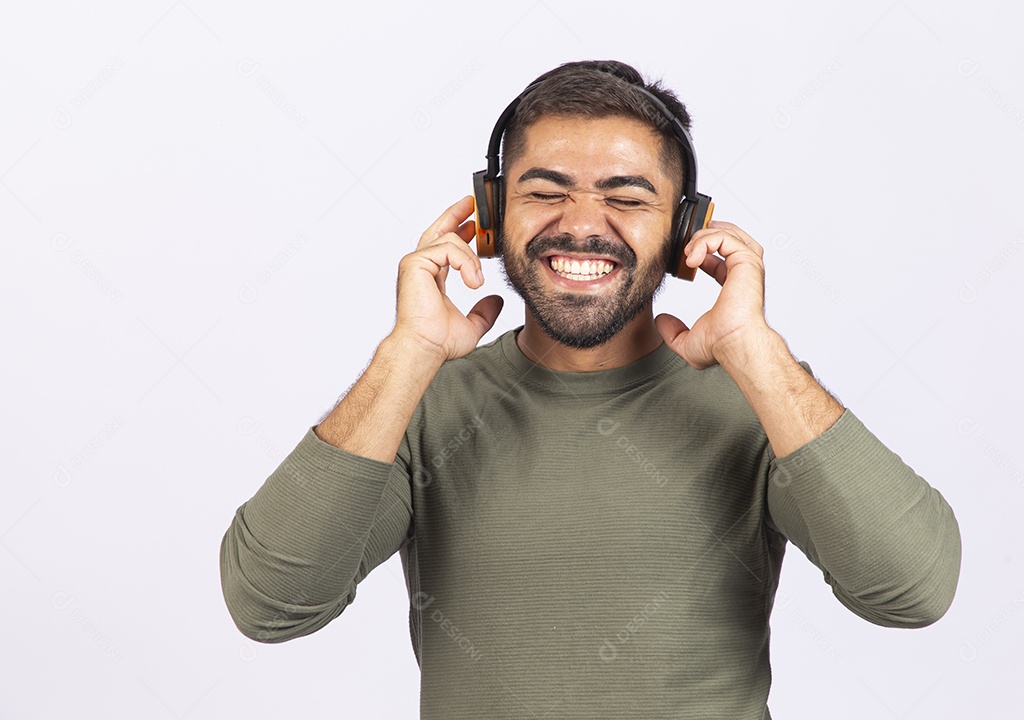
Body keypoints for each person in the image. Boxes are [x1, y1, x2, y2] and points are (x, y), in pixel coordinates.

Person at [219, 60, 962, 719]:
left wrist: (756, 352)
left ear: (685, 231)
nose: (580, 226)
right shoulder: (417, 404)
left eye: (627, 197)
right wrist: (407, 353)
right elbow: (270, 605)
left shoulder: (761, 404)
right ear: (488, 215)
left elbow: (910, 591)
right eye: (544, 191)